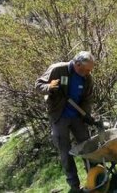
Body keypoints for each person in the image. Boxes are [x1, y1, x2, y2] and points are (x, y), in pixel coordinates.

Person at [35, 51, 95, 193]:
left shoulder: (87, 78)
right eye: (86, 69)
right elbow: (38, 85)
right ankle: (75, 186)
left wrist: (86, 114)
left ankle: (94, 177)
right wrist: (49, 88)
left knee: (87, 145)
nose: (88, 72)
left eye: (90, 70)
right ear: (77, 64)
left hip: (77, 117)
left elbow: (87, 98)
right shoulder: (57, 69)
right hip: (59, 116)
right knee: (65, 151)